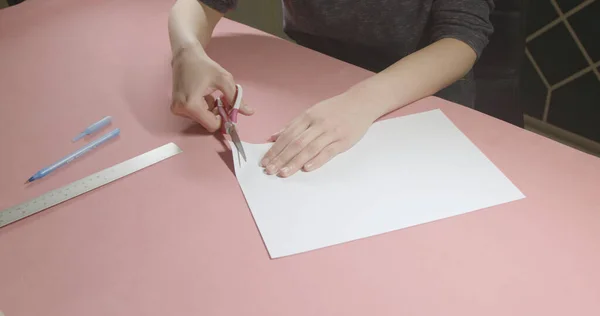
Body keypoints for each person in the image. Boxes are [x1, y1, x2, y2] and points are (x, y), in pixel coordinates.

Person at [168, 0, 494, 177]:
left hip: (418, 94)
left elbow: (461, 39)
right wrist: (186, 52)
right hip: (305, 79)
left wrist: (362, 102)